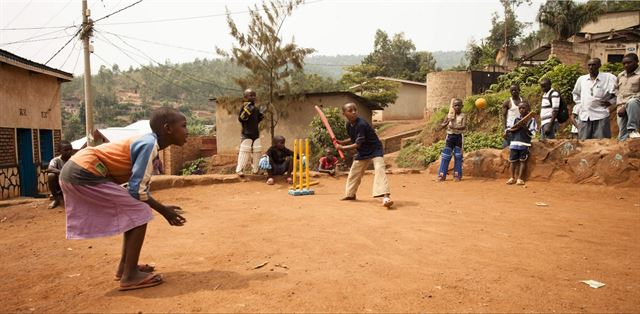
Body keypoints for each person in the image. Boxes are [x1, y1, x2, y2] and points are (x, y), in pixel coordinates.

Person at [59, 107, 188, 291]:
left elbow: (137, 188)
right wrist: (164, 211)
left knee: (134, 210)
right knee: (139, 211)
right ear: (168, 129)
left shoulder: (150, 145)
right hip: (84, 171)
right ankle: (129, 276)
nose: (187, 131)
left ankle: (126, 268)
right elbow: (137, 191)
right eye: (183, 126)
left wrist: (162, 206)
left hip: (80, 169)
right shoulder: (149, 145)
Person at [335, 103, 393, 208]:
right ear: (344, 114)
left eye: (355, 110)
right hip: (363, 151)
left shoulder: (361, 124)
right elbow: (354, 138)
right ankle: (350, 194)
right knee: (354, 172)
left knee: (380, 169)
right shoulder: (348, 125)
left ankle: (385, 197)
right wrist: (342, 142)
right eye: (350, 110)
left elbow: (357, 143)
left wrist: (342, 148)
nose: (354, 112)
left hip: (375, 149)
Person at [572, 58, 617, 139]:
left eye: (594, 65)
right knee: (584, 143)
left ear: (599, 65)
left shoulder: (609, 78)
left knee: (602, 142)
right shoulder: (582, 79)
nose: (591, 67)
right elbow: (576, 94)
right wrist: (581, 104)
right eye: (589, 65)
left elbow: (618, 93)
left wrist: (611, 102)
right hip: (585, 116)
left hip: (601, 115)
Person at [505, 101, 537, 186]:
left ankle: (520, 178)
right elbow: (511, 129)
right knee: (512, 161)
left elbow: (532, 134)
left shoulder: (531, 120)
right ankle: (512, 177)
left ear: (528, 109)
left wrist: (525, 127)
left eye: (523, 108)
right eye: (520, 108)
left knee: (523, 161)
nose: (521, 110)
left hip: (524, 144)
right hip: (514, 143)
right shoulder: (516, 119)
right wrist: (509, 131)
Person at [236, 89, 264, 176]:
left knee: (257, 150)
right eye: (251, 95)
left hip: (255, 133)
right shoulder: (244, 107)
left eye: (254, 95)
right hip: (246, 133)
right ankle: (239, 170)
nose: (253, 97)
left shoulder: (255, 109)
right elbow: (241, 119)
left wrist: (261, 114)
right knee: (244, 150)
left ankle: (256, 170)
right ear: (245, 97)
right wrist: (247, 111)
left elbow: (257, 120)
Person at [437, 98, 466, 182]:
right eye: (455, 105)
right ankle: (441, 175)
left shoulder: (463, 115)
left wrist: (454, 127)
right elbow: (441, 126)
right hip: (450, 137)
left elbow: (463, 126)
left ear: (462, 106)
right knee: (446, 155)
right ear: (452, 106)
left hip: (458, 137)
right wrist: (447, 122)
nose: (457, 107)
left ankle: (457, 175)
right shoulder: (449, 115)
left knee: (458, 156)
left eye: (458, 105)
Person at [615, 53, 640, 140]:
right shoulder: (620, 75)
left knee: (632, 102)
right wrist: (619, 105)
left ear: (637, 62)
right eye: (624, 63)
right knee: (622, 136)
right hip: (621, 107)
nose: (626, 65)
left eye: (629, 63)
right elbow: (617, 91)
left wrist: (626, 106)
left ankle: (632, 129)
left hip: (636, 105)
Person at [47, 140, 73, 209]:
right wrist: (63, 173)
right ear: (59, 151)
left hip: (72, 184)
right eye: (66, 150)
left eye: (70, 149)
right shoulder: (56, 160)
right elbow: (50, 169)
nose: (69, 151)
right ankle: (56, 199)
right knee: (51, 176)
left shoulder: (74, 159)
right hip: (60, 185)